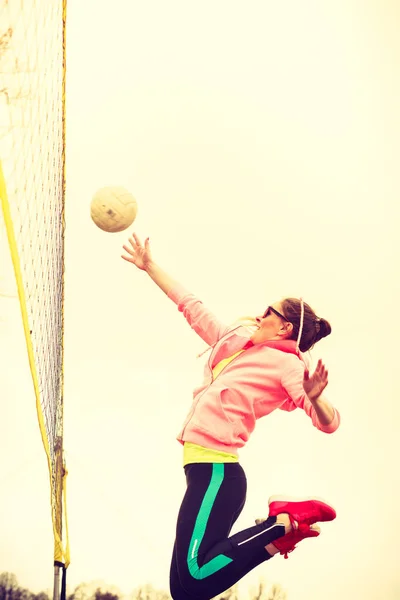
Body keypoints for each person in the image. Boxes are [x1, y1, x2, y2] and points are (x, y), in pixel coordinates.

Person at [122, 233, 340, 600]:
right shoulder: (233, 343)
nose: (258, 315)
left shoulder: (287, 364)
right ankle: (278, 535)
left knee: (194, 580)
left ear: (284, 327)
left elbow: (329, 422)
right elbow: (191, 305)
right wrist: (149, 266)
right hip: (201, 471)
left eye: (267, 312)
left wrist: (316, 398)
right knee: (184, 589)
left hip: (218, 473)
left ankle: (280, 523)